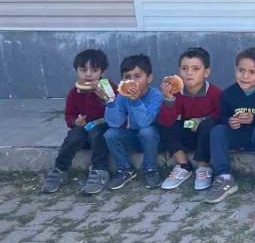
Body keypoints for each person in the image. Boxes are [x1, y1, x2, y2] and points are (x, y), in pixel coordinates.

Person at [204, 48, 255, 204]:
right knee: (217, 130)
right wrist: (230, 121)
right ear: (235, 69)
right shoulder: (229, 94)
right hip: (238, 136)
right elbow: (222, 116)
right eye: (241, 70)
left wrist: (254, 119)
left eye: (252, 72)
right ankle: (224, 177)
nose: (245, 76)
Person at [41, 49, 114, 195]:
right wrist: (75, 122)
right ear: (76, 71)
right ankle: (60, 169)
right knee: (74, 135)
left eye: (94, 70)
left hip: (103, 130)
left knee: (97, 133)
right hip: (84, 129)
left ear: (102, 72)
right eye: (83, 70)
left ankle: (100, 170)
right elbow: (69, 115)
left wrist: (103, 97)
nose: (88, 74)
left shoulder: (108, 86)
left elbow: (117, 110)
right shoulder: (74, 92)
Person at [158, 47, 221, 191]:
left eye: (196, 69)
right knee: (167, 121)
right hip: (187, 131)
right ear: (179, 71)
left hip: (206, 137)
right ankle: (183, 165)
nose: (189, 73)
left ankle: (203, 167)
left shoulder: (214, 92)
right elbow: (166, 121)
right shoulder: (176, 92)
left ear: (206, 72)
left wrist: (202, 119)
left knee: (210, 124)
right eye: (184, 68)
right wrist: (169, 100)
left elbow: (221, 114)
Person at [104, 54, 164, 189]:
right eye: (127, 77)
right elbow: (114, 123)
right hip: (134, 136)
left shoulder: (155, 96)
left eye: (137, 76)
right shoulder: (122, 96)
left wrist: (135, 101)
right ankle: (125, 169)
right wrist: (110, 104)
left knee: (146, 131)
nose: (132, 81)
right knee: (110, 134)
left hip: (155, 140)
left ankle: (150, 169)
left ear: (149, 78)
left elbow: (145, 122)